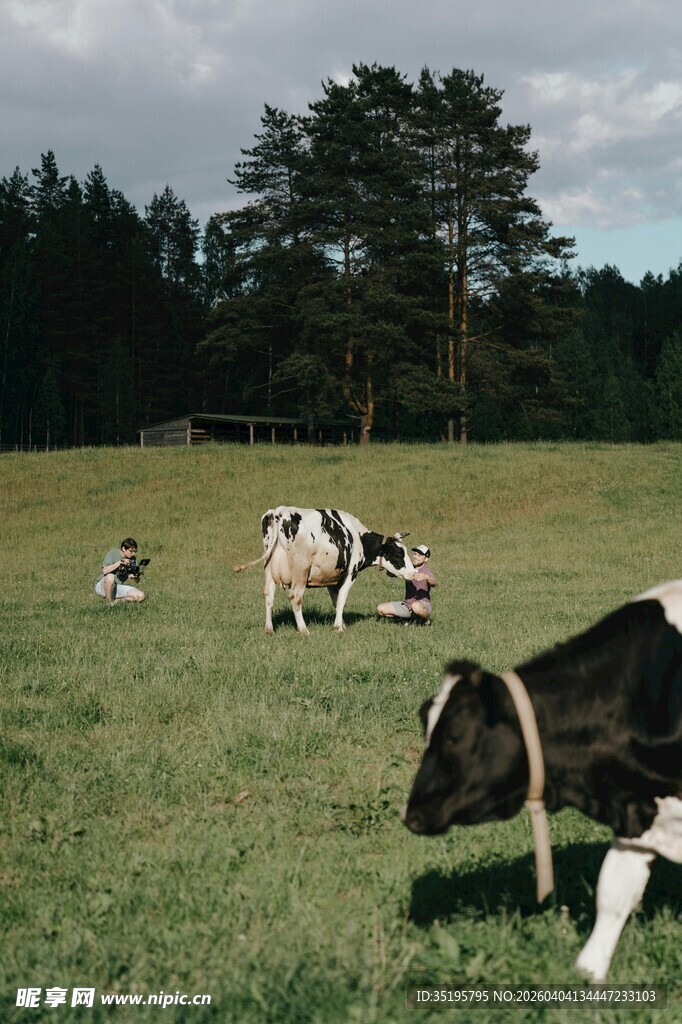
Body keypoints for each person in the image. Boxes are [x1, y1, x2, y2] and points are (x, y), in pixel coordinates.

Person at [376, 543, 437, 625]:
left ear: (426, 559)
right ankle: (407, 619)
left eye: (419, 555)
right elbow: (391, 574)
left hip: (423, 605)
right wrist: (386, 566)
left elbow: (435, 583)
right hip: (407, 604)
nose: (415, 557)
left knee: (416, 606)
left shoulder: (426, 572)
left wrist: (426, 577)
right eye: (415, 554)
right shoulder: (408, 568)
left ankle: (426, 621)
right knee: (380, 609)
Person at [95, 537, 146, 606]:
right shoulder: (113, 553)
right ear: (123, 549)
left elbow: (137, 581)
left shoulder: (133, 559)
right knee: (110, 576)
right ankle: (108, 604)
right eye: (131, 551)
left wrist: (135, 577)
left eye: (135, 551)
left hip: (117, 586)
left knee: (141, 596)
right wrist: (120, 562)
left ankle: (117, 601)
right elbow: (105, 570)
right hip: (102, 586)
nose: (133, 553)